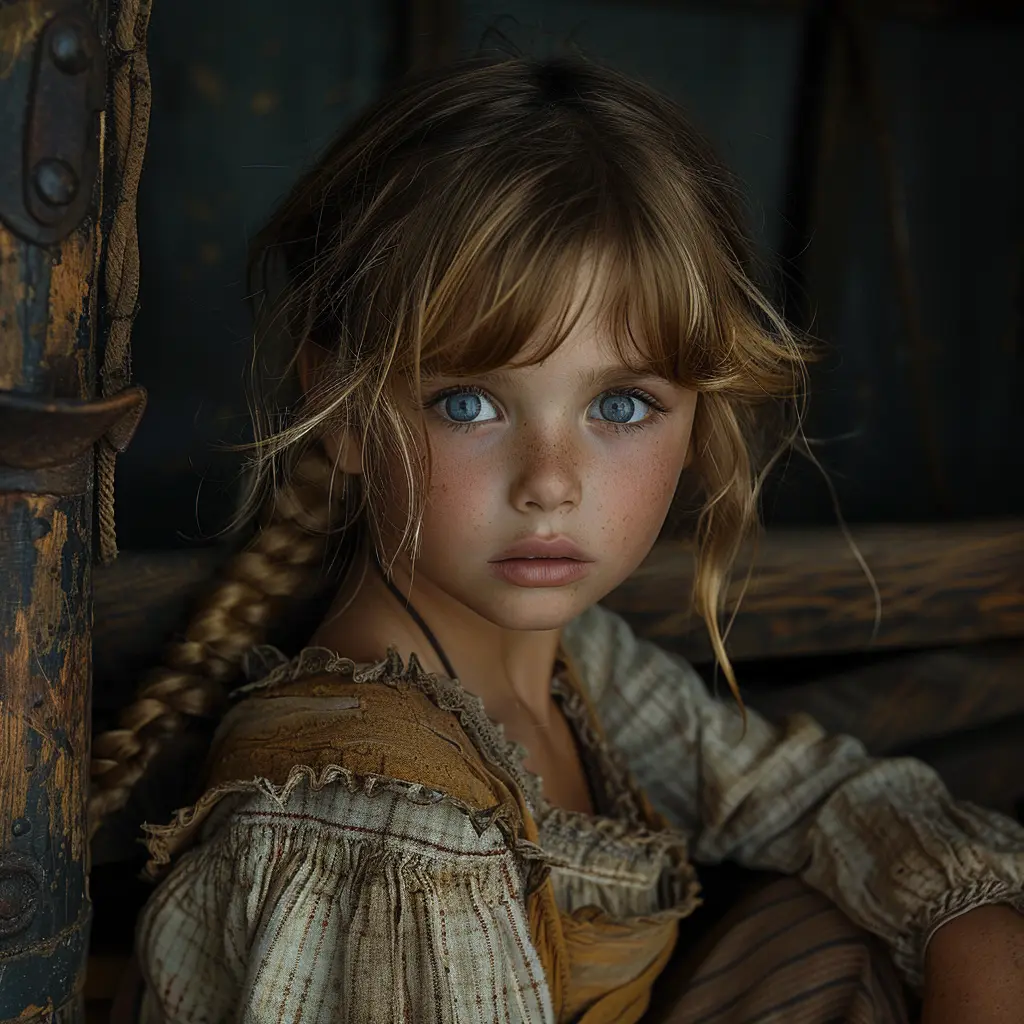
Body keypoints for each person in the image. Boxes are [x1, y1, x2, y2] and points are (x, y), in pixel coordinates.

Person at [90, 53, 1024, 1023]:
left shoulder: (575, 670)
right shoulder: (380, 827)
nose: (550, 482)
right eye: (468, 402)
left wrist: (973, 928)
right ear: (346, 409)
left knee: (839, 929)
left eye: (619, 404)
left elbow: (803, 793)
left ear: (698, 418)